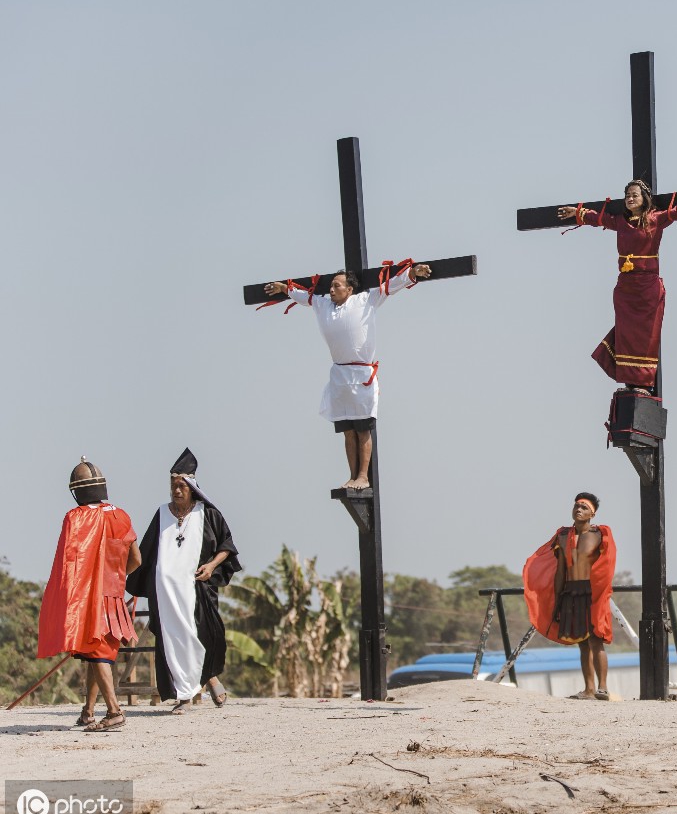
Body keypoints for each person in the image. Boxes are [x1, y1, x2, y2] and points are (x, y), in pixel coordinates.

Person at [263, 260, 431, 489]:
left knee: (363, 429)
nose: (331, 289)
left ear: (349, 289)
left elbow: (391, 285)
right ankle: (352, 476)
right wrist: (284, 288)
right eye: (331, 286)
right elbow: (304, 296)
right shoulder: (323, 305)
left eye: (337, 285)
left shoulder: (366, 300)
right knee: (348, 431)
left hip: (362, 374)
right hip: (339, 375)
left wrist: (412, 272)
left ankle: (363, 476)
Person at [556, 180, 677, 394]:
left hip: (648, 286)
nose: (630, 199)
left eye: (635, 195)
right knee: (626, 334)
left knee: (646, 335)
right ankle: (629, 381)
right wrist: (577, 212)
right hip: (625, 288)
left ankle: (643, 383)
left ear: (644, 198)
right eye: (628, 196)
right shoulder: (619, 222)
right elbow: (597, 218)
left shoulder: (656, 219)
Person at [126, 449, 241, 714]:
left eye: (181, 486)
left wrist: (211, 566)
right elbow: (145, 551)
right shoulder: (161, 514)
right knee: (172, 641)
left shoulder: (208, 514)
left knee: (200, 636)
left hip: (196, 590)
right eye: (173, 486)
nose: (176, 491)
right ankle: (185, 696)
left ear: (191, 488)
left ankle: (210, 677)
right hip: (165, 594)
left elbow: (227, 546)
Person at [38, 458, 142, 732]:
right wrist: (115, 578)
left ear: (77, 491)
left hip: (90, 600)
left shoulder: (76, 518)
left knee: (97, 653)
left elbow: (68, 564)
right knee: (97, 654)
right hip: (114, 597)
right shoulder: (121, 515)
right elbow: (136, 560)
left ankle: (115, 711)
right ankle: (87, 712)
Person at [523, 493, 618, 700]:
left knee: (596, 639)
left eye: (584, 507)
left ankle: (603, 688)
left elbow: (607, 567)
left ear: (593, 513)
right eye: (576, 506)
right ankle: (589, 689)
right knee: (582, 643)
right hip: (570, 591)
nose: (578, 509)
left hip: (591, 593)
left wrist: (601, 595)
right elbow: (559, 571)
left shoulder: (600, 534)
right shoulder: (563, 536)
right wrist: (556, 600)